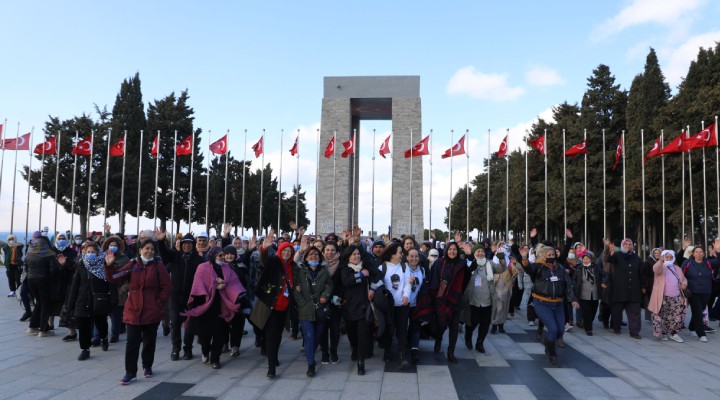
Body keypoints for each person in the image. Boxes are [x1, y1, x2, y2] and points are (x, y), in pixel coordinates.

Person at [104, 238, 172, 385]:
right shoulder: (133, 264)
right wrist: (109, 267)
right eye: (146, 248)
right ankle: (130, 372)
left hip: (151, 310)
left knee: (149, 341)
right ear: (140, 250)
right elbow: (115, 277)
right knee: (132, 342)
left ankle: (147, 366)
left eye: (152, 249)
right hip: (133, 309)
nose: (149, 251)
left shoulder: (158, 266)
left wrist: (159, 302)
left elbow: (167, 287)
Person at [183, 246, 246, 369]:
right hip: (205, 305)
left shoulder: (227, 268)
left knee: (220, 333)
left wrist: (224, 284)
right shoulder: (203, 267)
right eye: (220, 255)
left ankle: (215, 359)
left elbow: (234, 282)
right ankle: (205, 351)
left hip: (221, 306)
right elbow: (198, 285)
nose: (222, 258)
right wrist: (214, 286)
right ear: (212, 255)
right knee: (205, 335)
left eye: (223, 255)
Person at [523, 244, 579, 367]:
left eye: (553, 254)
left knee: (560, 330)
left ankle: (549, 341)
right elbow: (528, 269)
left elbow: (568, 284)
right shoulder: (539, 267)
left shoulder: (559, 268)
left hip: (558, 304)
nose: (552, 256)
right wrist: (524, 259)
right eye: (549, 255)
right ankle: (551, 353)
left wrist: (573, 299)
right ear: (543, 256)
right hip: (542, 303)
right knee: (553, 328)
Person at [157, 231, 204, 361]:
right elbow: (164, 254)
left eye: (189, 244)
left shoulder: (199, 260)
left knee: (189, 325)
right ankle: (175, 348)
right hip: (175, 297)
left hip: (192, 298)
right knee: (175, 323)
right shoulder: (175, 256)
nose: (186, 246)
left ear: (193, 245)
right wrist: (161, 241)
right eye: (184, 244)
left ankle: (187, 349)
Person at [256, 229, 297, 379]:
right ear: (279, 250)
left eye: (289, 251)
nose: (286, 253)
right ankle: (271, 367)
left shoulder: (293, 266)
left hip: (284, 307)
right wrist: (264, 249)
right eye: (284, 250)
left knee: (278, 335)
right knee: (272, 335)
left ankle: (274, 356)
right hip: (270, 305)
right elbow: (263, 261)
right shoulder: (274, 260)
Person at [65, 242, 112, 360]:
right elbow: (75, 285)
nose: (90, 254)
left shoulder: (104, 264)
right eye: (88, 252)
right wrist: (70, 304)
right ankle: (85, 349)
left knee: (101, 323)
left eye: (93, 252)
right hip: (83, 300)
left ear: (98, 253)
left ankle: (103, 338)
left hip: (99, 300)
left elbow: (111, 283)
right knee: (83, 325)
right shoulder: (81, 265)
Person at [293, 246, 333, 377]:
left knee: (317, 336)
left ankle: (311, 352)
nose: (313, 256)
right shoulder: (301, 271)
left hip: (320, 308)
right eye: (311, 254)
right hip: (306, 309)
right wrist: (302, 303)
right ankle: (311, 363)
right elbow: (295, 289)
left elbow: (330, 286)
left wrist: (325, 296)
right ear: (306, 257)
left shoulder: (324, 271)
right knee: (309, 335)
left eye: (316, 254)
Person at [428, 240, 469, 364]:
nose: (452, 252)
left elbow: (466, 279)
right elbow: (433, 280)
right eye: (450, 249)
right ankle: (438, 340)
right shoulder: (439, 263)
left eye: (454, 250)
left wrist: (469, 254)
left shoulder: (462, 264)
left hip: (455, 300)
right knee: (441, 325)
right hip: (441, 301)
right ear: (446, 250)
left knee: (454, 328)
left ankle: (451, 352)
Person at [340, 245, 379, 375]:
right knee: (352, 334)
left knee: (362, 335)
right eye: (353, 254)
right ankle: (355, 350)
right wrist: (361, 275)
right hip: (349, 308)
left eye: (358, 254)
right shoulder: (345, 269)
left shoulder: (366, 267)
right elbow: (346, 282)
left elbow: (378, 277)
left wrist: (373, 289)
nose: (356, 256)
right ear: (348, 257)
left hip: (364, 307)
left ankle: (361, 362)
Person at [378, 242, 412, 369]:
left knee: (402, 330)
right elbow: (378, 286)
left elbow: (408, 283)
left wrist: (406, 295)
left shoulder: (404, 267)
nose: (402, 254)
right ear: (392, 254)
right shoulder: (382, 268)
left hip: (402, 305)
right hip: (388, 306)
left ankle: (402, 355)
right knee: (388, 329)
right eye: (400, 252)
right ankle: (387, 351)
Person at [606, 238, 644, 339]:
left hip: (634, 290)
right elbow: (609, 259)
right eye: (626, 244)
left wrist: (643, 286)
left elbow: (641, 273)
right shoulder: (617, 255)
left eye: (630, 244)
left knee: (635, 312)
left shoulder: (637, 257)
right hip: (620, 290)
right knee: (617, 311)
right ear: (623, 245)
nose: (628, 246)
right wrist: (612, 251)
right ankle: (616, 327)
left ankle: (634, 332)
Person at [462, 243, 496, 353]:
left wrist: (498, 255)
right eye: (478, 251)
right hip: (473, 300)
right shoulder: (469, 263)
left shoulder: (490, 264)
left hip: (487, 300)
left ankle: (480, 342)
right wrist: (469, 256)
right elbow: (464, 272)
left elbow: (501, 268)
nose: (480, 253)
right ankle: (468, 336)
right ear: (474, 253)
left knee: (485, 324)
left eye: (482, 251)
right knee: (472, 322)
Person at [648, 250, 687, 342]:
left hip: (676, 297)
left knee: (675, 316)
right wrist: (661, 261)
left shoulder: (677, 268)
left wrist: (684, 284)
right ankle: (664, 333)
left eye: (671, 257)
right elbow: (655, 269)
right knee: (663, 315)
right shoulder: (661, 266)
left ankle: (674, 333)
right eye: (667, 257)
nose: (669, 259)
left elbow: (683, 279)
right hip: (663, 297)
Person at [682, 245, 718, 342]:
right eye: (696, 252)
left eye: (700, 252)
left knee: (699, 310)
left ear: (704, 254)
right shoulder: (687, 263)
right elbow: (680, 275)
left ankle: (692, 327)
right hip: (693, 292)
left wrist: (718, 250)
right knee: (698, 311)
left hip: (706, 291)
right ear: (693, 254)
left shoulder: (708, 263)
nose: (698, 253)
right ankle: (701, 334)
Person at [25, 231, 58, 337]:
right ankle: (44, 329)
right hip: (43, 279)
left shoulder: (30, 250)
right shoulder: (48, 251)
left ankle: (33, 326)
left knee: (38, 302)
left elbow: (26, 266)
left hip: (30, 279)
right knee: (45, 304)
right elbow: (53, 269)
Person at [573, 252, 603, 336]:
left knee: (593, 311)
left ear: (591, 259)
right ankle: (588, 329)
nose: (585, 260)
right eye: (584, 259)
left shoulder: (596, 267)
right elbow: (574, 279)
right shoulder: (579, 268)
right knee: (586, 312)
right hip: (583, 294)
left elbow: (604, 275)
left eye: (587, 259)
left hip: (595, 294)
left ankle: (588, 322)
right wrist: (575, 287)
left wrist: (604, 282)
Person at [490, 251, 520, 334]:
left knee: (504, 308)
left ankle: (501, 326)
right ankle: (494, 325)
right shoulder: (492, 263)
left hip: (505, 289)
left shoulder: (509, 264)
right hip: (495, 289)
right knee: (496, 308)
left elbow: (518, 271)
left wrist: (515, 263)